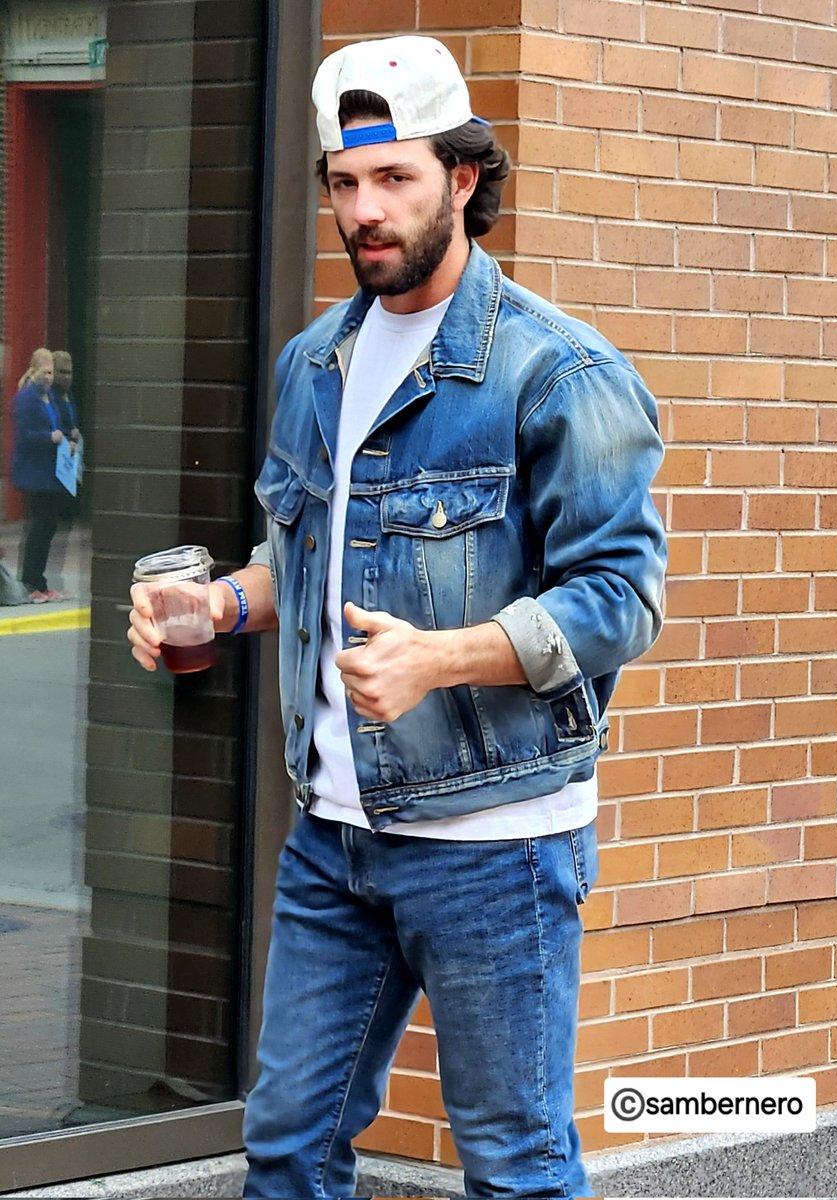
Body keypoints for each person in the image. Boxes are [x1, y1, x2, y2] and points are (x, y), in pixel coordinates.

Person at [128, 35, 666, 1199]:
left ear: (464, 177)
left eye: (395, 179)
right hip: (332, 836)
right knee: (287, 1150)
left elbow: (621, 598)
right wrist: (214, 605)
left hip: (496, 845)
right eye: (343, 182)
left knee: (516, 1168)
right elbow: (303, 559)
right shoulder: (314, 364)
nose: (363, 211)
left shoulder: (556, 372)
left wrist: (445, 660)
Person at [10, 347, 70, 603]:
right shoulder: (27, 398)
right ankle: (30, 580)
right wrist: (50, 437)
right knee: (39, 526)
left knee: (48, 526)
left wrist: (66, 438)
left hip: (49, 471)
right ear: (34, 370)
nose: (49, 377)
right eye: (45, 372)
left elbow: (57, 424)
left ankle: (40, 582)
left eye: (51, 372)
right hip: (34, 472)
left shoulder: (50, 397)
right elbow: (25, 436)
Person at [46, 349, 82, 594]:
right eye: (61, 372)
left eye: (69, 373)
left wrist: (74, 432)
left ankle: (53, 576)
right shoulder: (51, 397)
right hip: (54, 468)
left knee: (63, 526)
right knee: (48, 525)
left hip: (69, 464)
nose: (66, 377)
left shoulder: (68, 396)